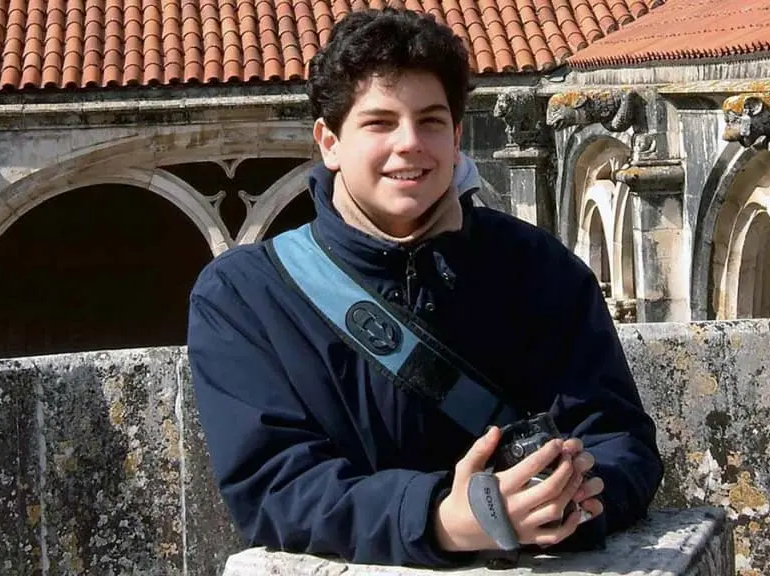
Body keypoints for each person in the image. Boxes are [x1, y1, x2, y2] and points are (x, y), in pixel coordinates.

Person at [187, 7, 663, 568]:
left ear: (456, 136)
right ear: (329, 141)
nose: (410, 143)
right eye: (380, 122)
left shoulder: (539, 267)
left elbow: (619, 440)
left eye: (431, 120)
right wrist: (440, 520)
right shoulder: (244, 297)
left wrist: (571, 503)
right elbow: (274, 486)